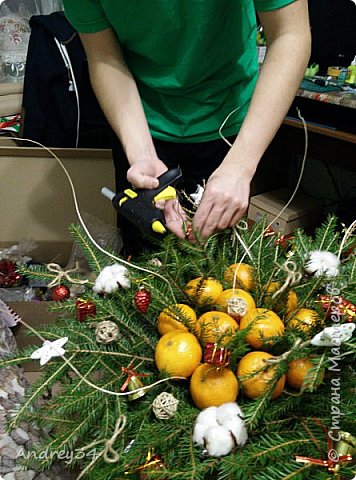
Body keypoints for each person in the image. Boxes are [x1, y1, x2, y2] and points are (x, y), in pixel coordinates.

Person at [62, 0, 311, 255]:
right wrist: (142, 154)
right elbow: (103, 55)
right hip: (139, 122)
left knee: (228, 267)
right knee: (146, 265)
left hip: (234, 125)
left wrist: (240, 166)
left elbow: (289, 34)